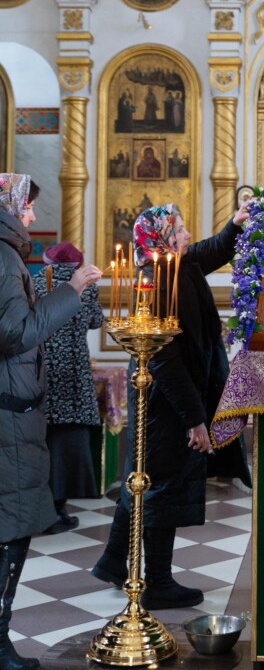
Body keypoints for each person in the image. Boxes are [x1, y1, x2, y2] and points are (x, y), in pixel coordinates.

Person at [91, 201, 252, 610]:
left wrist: (234, 224)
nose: (186, 235)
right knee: (161, 485)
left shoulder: (178, 266)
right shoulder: (157, 283)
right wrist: (195, 420)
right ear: (162, 238)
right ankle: (158, 583)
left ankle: (113, 561)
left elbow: (209, 250)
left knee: (142, 475)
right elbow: (165, 361)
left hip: (168, 398)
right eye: (179, 229)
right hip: (164, 403)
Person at [0, 173, 101, 670]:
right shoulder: (4, 258)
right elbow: (15, 333)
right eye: (27, 208)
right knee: (10, 527)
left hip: (10, 403)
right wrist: (73, 289)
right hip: (7, 412)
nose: (33, 216)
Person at [33, 242, 103, 534]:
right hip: (74, 376)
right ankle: (59, 507)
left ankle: (42, 509)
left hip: (42, 373)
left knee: (42, 442)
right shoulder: (85, 285)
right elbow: (96, 321)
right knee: (69, 444)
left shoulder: (35, 283)